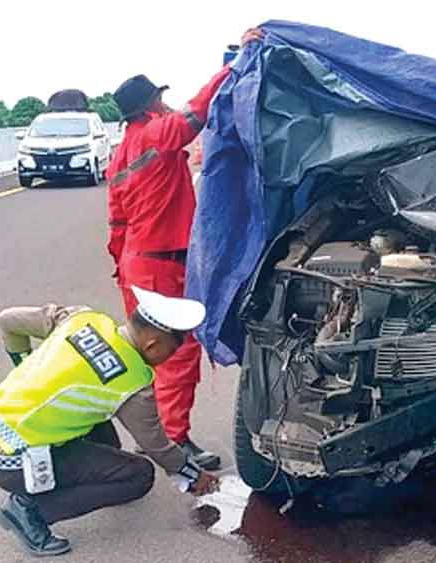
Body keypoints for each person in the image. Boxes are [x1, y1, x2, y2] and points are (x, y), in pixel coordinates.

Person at [105, 27, 265, 470]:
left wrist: (121, 265)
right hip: (161, 265)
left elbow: (116, 220)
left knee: (145, 351)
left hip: (135, 263)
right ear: (151, 104)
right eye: (160, 99)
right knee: (176, 351)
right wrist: (233, 65)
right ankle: (172, 441)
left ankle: (152, 433)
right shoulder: (156, 135)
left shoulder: (120, 155)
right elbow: (195, 115)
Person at [0, 287, 220, 557]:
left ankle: (89, 477)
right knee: (138, 476)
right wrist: (192, 475)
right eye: (170, 352)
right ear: (152, 345)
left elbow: (7, 319)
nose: (168, 360)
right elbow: (155, 445)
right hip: (13, 462)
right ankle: (27, 510)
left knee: (98, 410)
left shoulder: (82, 318)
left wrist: (22, 363)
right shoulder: (134, 384)